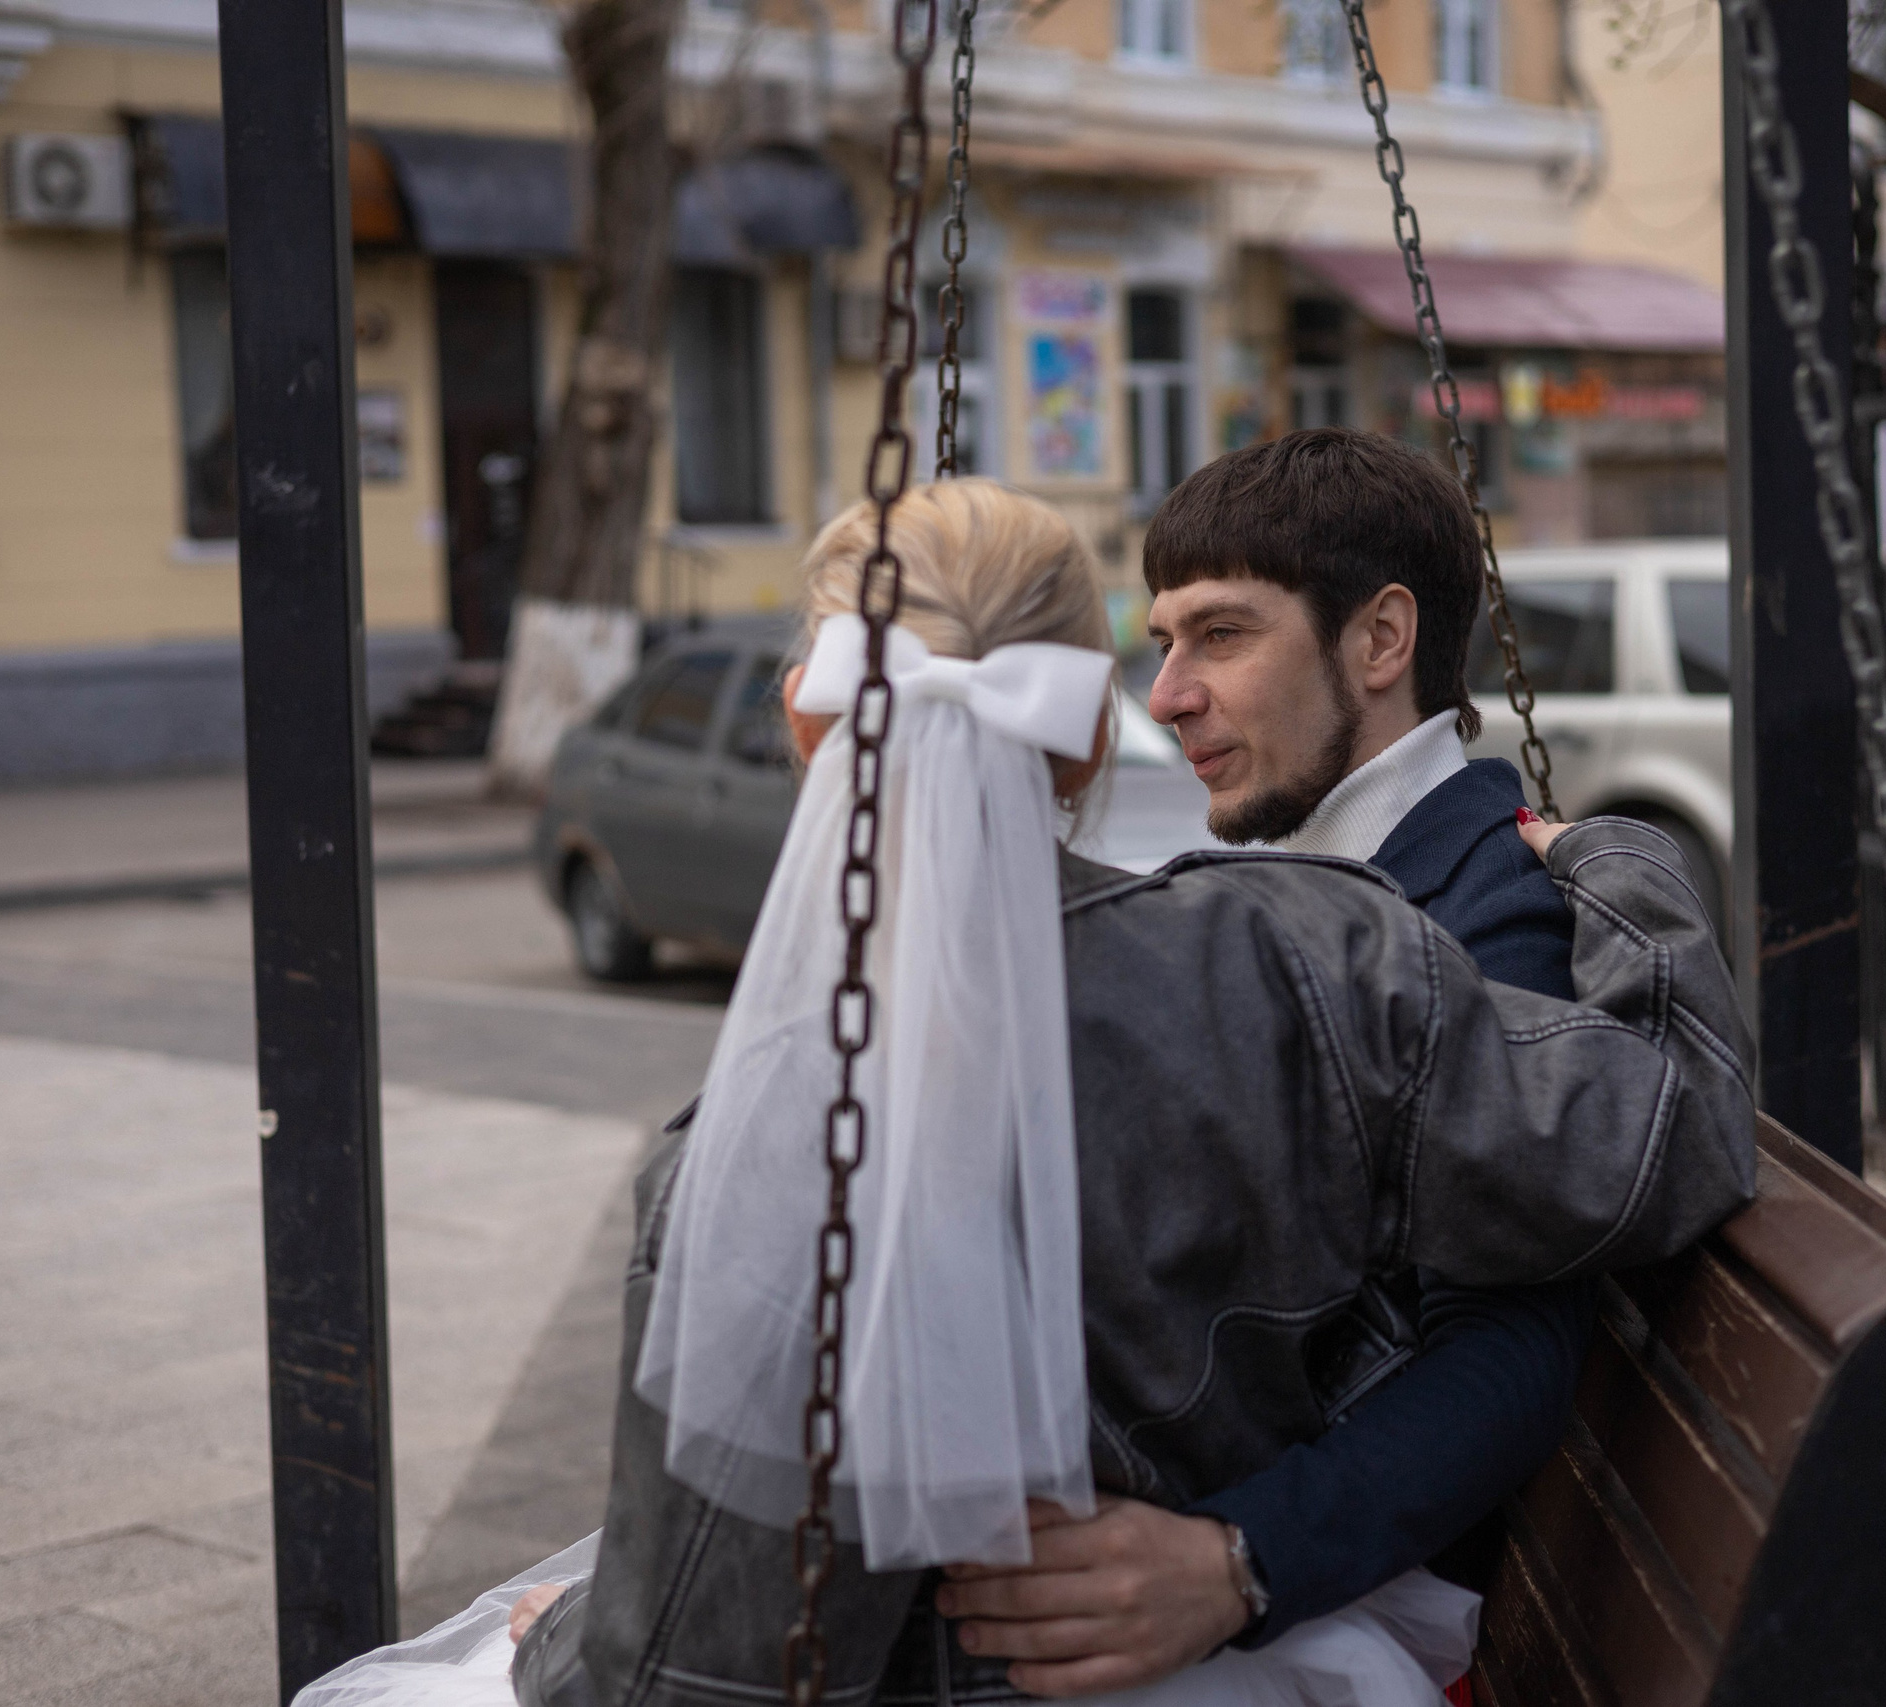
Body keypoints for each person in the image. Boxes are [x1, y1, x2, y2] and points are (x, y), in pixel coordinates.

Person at [293, 479, 1752, 1707]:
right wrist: (1622, 863)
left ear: (812, 730)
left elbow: (711, 1669)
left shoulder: (789, 1139)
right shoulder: (1322, 951)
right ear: (1093, 737)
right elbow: (1671, 1138)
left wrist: (557, 1652)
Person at [937, 430, 1610, 1688]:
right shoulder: (1298, 882)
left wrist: (1233, 1563)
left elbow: (1509, 1351)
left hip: (1341, 1597)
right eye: (1159, 645)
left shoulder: (1484, 912)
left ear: (1379, 641)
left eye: (1221, 636)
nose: (1168, 695)